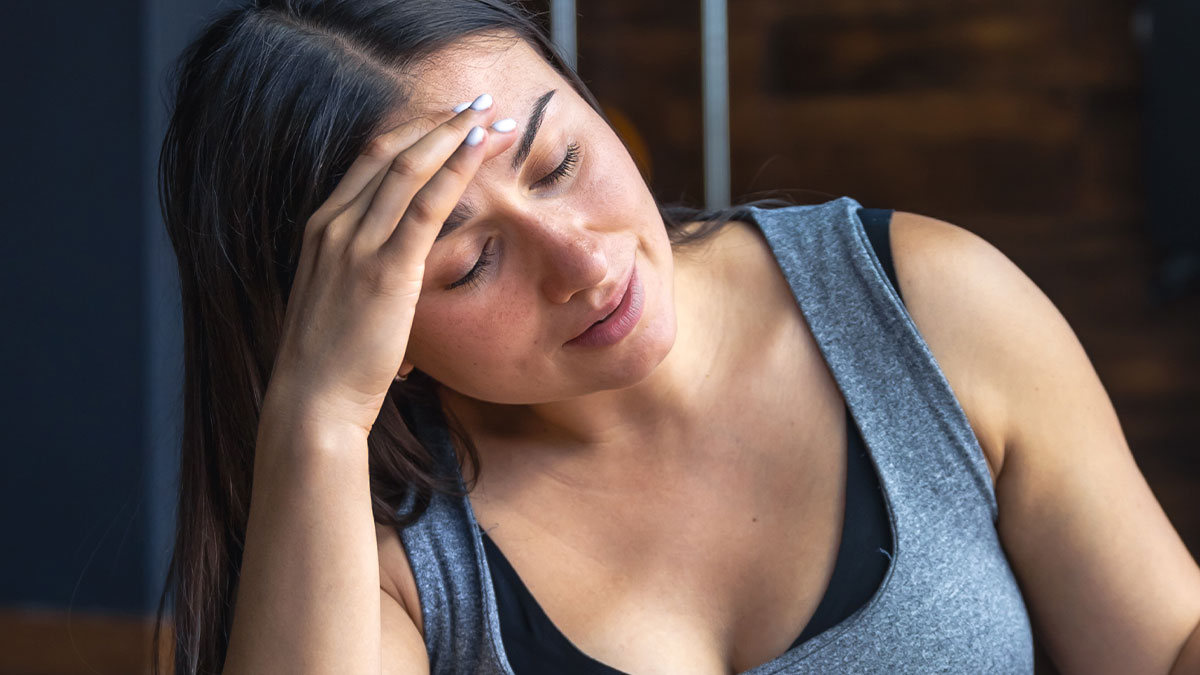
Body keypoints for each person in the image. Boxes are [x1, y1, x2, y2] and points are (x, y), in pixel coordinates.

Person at [153, 1, 1200, 673]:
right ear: (352, 322)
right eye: (467, 263)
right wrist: (321, 415)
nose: (584, 261)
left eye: (560, 161)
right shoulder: (383, 557)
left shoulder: (925, 305)